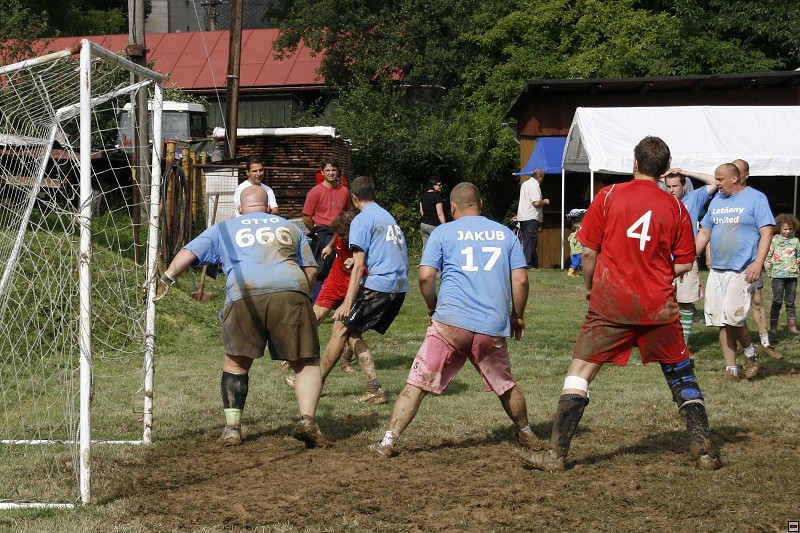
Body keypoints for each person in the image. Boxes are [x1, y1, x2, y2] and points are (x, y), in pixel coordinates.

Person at [519, 136, 721, 472]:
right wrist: (656, 273)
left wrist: (590, 286)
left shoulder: (609, 196)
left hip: (611, 301)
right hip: (657, 305)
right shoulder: (675, 207)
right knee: (681, 372)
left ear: (635, 163)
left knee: (581, 371)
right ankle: (704, 452)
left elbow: (588, 252)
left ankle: (555, 455)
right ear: (664, 169)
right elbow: (686, 262)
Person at [368, 182, 538, 457]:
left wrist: (432, 308)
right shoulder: (506, 234)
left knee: (417, 383)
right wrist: (517, 317)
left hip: (450, 322)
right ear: (480, 205)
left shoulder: (443, 232)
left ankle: (388, 441)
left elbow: (425, 276)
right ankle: (527, 433)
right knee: (505, 384)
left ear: (452, 207)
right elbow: (521, 281)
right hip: (491, 324)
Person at [155, 186, 330, 448]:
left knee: (236, 363)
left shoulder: (225, 228)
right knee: (305, 361)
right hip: (290, 291)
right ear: (268, 207)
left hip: (244, 294)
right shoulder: (289, 227)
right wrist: (301, 297)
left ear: (239, 209)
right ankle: (307, 421)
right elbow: (311, 270)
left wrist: (166, 280)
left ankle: (232, 429)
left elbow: (188, 253)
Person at [320, 175, 409, 404]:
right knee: (351, 332)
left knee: (340, 327)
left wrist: (347, 302)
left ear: (354, 197)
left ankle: (315, 383)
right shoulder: (387, 216)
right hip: (399, 286)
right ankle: (373, 386)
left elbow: (359, 266)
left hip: (380, 285)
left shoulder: (361, 219)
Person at [695, 163, 775, 382]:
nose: (716, 183)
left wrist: (758, 263)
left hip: (743, 269)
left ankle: (749, 353)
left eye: (720, 179)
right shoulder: (716, 201)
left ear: (734, 178)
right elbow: (705, 232)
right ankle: (731, 370)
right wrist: (689, 258)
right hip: (718, 269)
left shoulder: (756, 198)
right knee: (722, 321)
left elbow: (767, 233)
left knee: (733, 318)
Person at [284, 211, 365, 386]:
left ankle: (345, 362)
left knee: (348, 329)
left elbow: (369, 262)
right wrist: (329, 245)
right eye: (339, 234)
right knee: (314, 317)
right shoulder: (341, 233)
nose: (341, 238)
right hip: (335, 281)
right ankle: (293, 356)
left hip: (355, 286)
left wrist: (355, 262)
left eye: (343, 235)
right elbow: (337, 233)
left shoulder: (363, 238)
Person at [662, 169, 716, 347]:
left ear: (684, 185)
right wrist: (659, 176)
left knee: (685, 303)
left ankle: (683, 344)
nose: (671, 190)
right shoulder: (660, 200)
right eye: (668, 186)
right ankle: (665, 342)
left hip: (686, 258)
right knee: (663, 301)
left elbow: (714, 181)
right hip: (663, 259)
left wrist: (686, 172)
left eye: (675, 186)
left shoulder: (693, 198)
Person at [302, 157, 353, 301]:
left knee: (342, 269)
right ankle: (315, 302)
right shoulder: (315, 192)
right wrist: (316, 232)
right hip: (322, 236)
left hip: (341, 235)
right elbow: (306, 216)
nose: (331, 173)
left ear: (338, 171)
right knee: (321, 271)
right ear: (322, 172)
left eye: (334, 170)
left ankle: (341, 301)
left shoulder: (344, 191)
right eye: (328, 170)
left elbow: (348, 214)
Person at [765, 213, 800, 337]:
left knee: (790, 302)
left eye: (790, 229)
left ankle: (792, 326)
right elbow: (768, 257)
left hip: (792, 277)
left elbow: (798, 256)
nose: (788, 231)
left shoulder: (795, 241)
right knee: (777, 301)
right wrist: (770, 272)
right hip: (777, 276)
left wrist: (796, 269)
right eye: (785, 229)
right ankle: (773, 327)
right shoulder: (775, 240)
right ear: (779, 227)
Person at [516, 169, 549, 269]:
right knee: (530, 241)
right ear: (539, 177)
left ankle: (533, 264)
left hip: (523, 216)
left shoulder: (525, 184)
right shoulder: (534, 185)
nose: (542, 180)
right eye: (542, 178)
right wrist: (545, 201)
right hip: (530, 216)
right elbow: (536, 202)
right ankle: (528, 264)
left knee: (528, 240)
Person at [419, 178, 446, 252]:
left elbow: (422, 212)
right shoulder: (437, 197)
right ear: (433, 185)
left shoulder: (423, 196)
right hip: (434, 225)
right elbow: (440, 213)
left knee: (425, 246)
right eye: (439, 185)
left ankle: (424, 259)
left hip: (423, 224)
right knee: (438, 246)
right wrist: (444, 226)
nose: (441, 186)